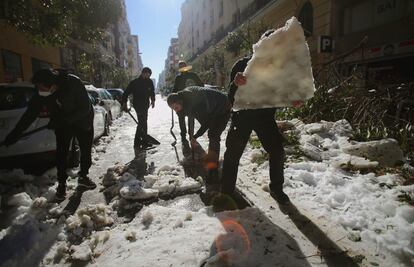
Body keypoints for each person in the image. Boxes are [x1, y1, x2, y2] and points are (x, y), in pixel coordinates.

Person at [220, 30, 303, 204]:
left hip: (265, 117)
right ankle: (227, 191)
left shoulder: (277, 70)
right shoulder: (242, 65)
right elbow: (230, 96)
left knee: (277, 151)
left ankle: (276, 189)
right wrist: (235, 84)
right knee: (232, 155)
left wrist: (292, 100)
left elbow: (279, 94)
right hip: (242, 117)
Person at [3, 69, 96, 201]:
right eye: (38, 87)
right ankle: (62, 184)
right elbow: (29, 115)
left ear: (52, 84)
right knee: (61, 153)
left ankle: (83, 177)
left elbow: (84, 108)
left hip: (83, 120)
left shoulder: (73, 82)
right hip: (63, 123)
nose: (39, 89)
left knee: (85, 150)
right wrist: (14, 134)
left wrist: (62, 120)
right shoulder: (42, 92)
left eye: (41, 86)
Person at [167, 86, 231, 187]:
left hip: (223, 107)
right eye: (173, 109)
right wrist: (191, 136)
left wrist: (195, 137)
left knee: (213, 135)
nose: (176, 111)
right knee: (212, 133)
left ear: (180, 101)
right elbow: (191, 120)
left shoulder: (195, 104)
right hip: (212, 108)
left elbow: (207, 122)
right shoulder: (184, 101)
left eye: (175, 108)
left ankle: (213, 171)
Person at [122, 67, 155, 149]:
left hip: (145, 105)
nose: (148, 77)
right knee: (141, 122)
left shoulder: (149, 81)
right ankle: (137, 142)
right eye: (148, 75)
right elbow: (125, 93)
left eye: (149, 75)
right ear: (143, 73)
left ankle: (144, 141)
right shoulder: (135, 83)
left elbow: (152, 92)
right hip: (138, 105)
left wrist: (153, 100)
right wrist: (124, 103)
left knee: (144, 122)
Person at [172, 61, 204, 142]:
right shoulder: (178, 78)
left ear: (186, 66)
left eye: (183, 66)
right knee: (181, 118)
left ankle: (191, 134)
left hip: (191, 100)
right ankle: (183, 135)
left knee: (191, 117)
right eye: (180, 67)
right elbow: (175, 89)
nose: (182, 68)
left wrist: (197, 94)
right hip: (181, 101)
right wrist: (172, 99)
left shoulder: (193, 75)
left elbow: (201, 85)